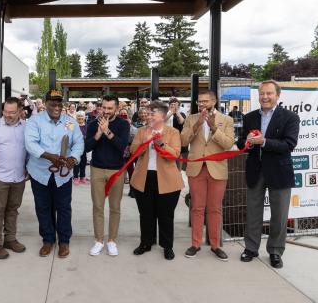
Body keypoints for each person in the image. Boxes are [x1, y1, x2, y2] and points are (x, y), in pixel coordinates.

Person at [237, 80, 300, 269]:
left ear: (277, 96)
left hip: (279, 172)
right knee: (253, 212)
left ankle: (275, 251)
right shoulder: (249, 117)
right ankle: (251, 248)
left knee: (279, 215)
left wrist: (264, 142)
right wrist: (245, 142)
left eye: (269, 93)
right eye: (262, 93)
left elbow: (289, 144)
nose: (265, 97)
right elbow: (240, 143)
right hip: (255, 171)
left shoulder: (290, 117)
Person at [25, 89, 84, 258]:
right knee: (43, 207)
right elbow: (30, 143)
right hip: (40, 173)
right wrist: (49, 156)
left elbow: (78, 142)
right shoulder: (35, 121)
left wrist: (73, 158)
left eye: (59, 103)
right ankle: (48, 240)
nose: (56, 107)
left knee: (64, 208)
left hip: (62, 176)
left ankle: (64, 241)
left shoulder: (70, 122)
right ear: (45, 103)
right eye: (52, 103)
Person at [180, 90, 235, 261]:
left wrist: (212, 127)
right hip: (196, 169)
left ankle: (215, 245)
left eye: (205, 101)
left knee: (214, 208)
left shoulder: (226, 120)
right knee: (197, 207)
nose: (202, 104)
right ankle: (195, 244)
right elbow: (183, 142)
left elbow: (228, 144)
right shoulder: (191, 118)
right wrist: (197, 125)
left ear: (214, 101)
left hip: (217, 170)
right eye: (199, 101)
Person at [130, 100, 184, 260]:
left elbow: (174, 155)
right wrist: (144, 141)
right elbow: (133, 152)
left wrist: (160, 142)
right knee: (146, 213)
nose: (149, 116)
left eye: (152, 113)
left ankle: (167, 246)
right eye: (148, 113)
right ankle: (146, 242)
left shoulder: (173, 132)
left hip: (167, 180)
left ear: (162, 115)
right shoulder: (141, 131)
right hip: (144, 177)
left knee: (166, 215)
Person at [0, 98, 28, 259]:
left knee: (13, 209)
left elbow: (29, 149)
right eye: (6, 112)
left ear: (20, 111)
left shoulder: (26, 127)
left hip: (18, 177)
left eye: (12, 112)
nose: (8, 115)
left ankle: (10, 239)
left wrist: (28, 168)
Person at [85, 95, 130, 257]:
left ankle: (111, 240)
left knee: (115, 207)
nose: (106, 111)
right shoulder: (92, 124)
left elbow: (122, 146)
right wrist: (98, 133)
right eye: (103, 107)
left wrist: (107, 131)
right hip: (97, 169)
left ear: (116, 108)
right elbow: (87, 147)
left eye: (110, 108)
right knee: (97, 206)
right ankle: (98, 240)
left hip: (117, 170)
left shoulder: (123, 124)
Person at [72, 111, 88, 184]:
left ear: (84, 117)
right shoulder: (73, 125)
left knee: (83, 162)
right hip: (75, 148)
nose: (80, 118)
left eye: (81, 116)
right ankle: (75, 177)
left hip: (84, 147)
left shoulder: (87, 126)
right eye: (78, 116)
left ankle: (82, 176)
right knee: (76, 162)